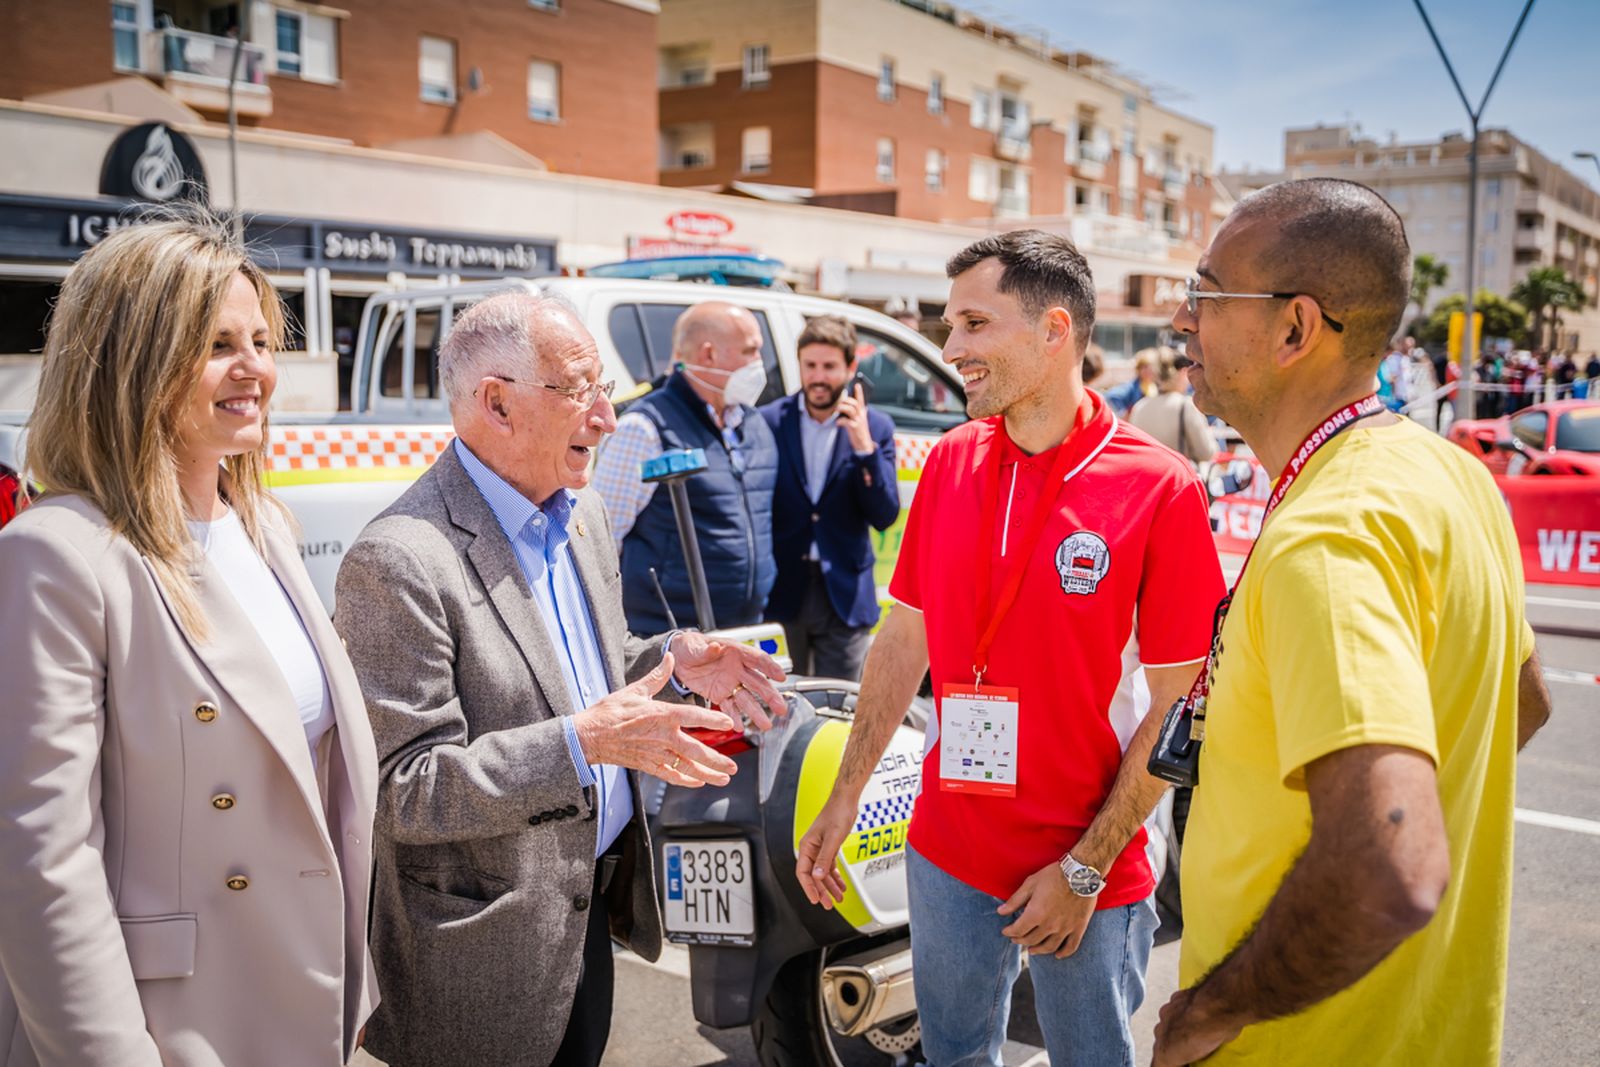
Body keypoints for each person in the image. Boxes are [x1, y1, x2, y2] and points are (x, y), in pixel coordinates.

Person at [795, 230, 1226, 1067]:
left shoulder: (1160, 486)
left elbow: (1182, 703)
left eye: (972, 324)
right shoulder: (953, 461)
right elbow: (902, 640)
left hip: (1089, 869)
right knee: (954, 1058)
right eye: (951, 325)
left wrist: (1085, 871)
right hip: (948, 850)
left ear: (1053, 330)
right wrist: (845, 795)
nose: (950, 348)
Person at [1152, 178, 1552, 1067]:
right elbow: (1522, 705)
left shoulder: (1326, 537)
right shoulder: (1453, 475)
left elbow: (1389, 866)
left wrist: (1209, 1009)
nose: (1184, 321)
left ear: (1295, 328)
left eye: (1205, 294)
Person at [333, 292, 787, 1067]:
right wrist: (584, 743)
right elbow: (405, 787)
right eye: (579, 390)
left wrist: (674, 661)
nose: (606, 418)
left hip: (588, 920)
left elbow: (587, 669)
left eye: (604, 389)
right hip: (483, 957)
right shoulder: (401, 560)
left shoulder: (580, 515)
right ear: (498, 403)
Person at [0, 216, 379, 1065]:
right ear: (131, 364)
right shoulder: (56, 554)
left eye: (259, 340)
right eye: (215, 345)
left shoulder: (263, 527)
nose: (255, 370)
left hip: (305, 1003)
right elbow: (42, 861)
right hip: (168, 1028)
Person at [592, 301, 778, 634]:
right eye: (750, 351)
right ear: (709, 355)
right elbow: (601, 544)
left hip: (744, 630)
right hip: (665, 634)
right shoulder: (645, 428)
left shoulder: (752, 424)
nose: (759, 364)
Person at [760, 315, 899, 681]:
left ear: (850, 367)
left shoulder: (877, 427)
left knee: (839, 706)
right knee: (780, 704)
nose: (818, 377)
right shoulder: (770, 421)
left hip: (844, 596)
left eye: (829, 367)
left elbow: (884, 514)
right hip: (783, 590)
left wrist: (864, 449)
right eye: (810, 366)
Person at [1128, 347, 1217, 466]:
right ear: (1182, 373)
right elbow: (1206, 453)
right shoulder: (1186, 405)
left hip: (1148, 479)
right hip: (1178, 479)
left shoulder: (1139, 407)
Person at [1104, 346, 1158, 415]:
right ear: (1138, 369)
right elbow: (1112, 396)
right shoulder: (1131, 387)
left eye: (1151, 367)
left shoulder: (1156, 386)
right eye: (1144, 367)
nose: (1148, 371)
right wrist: (1124, 414)